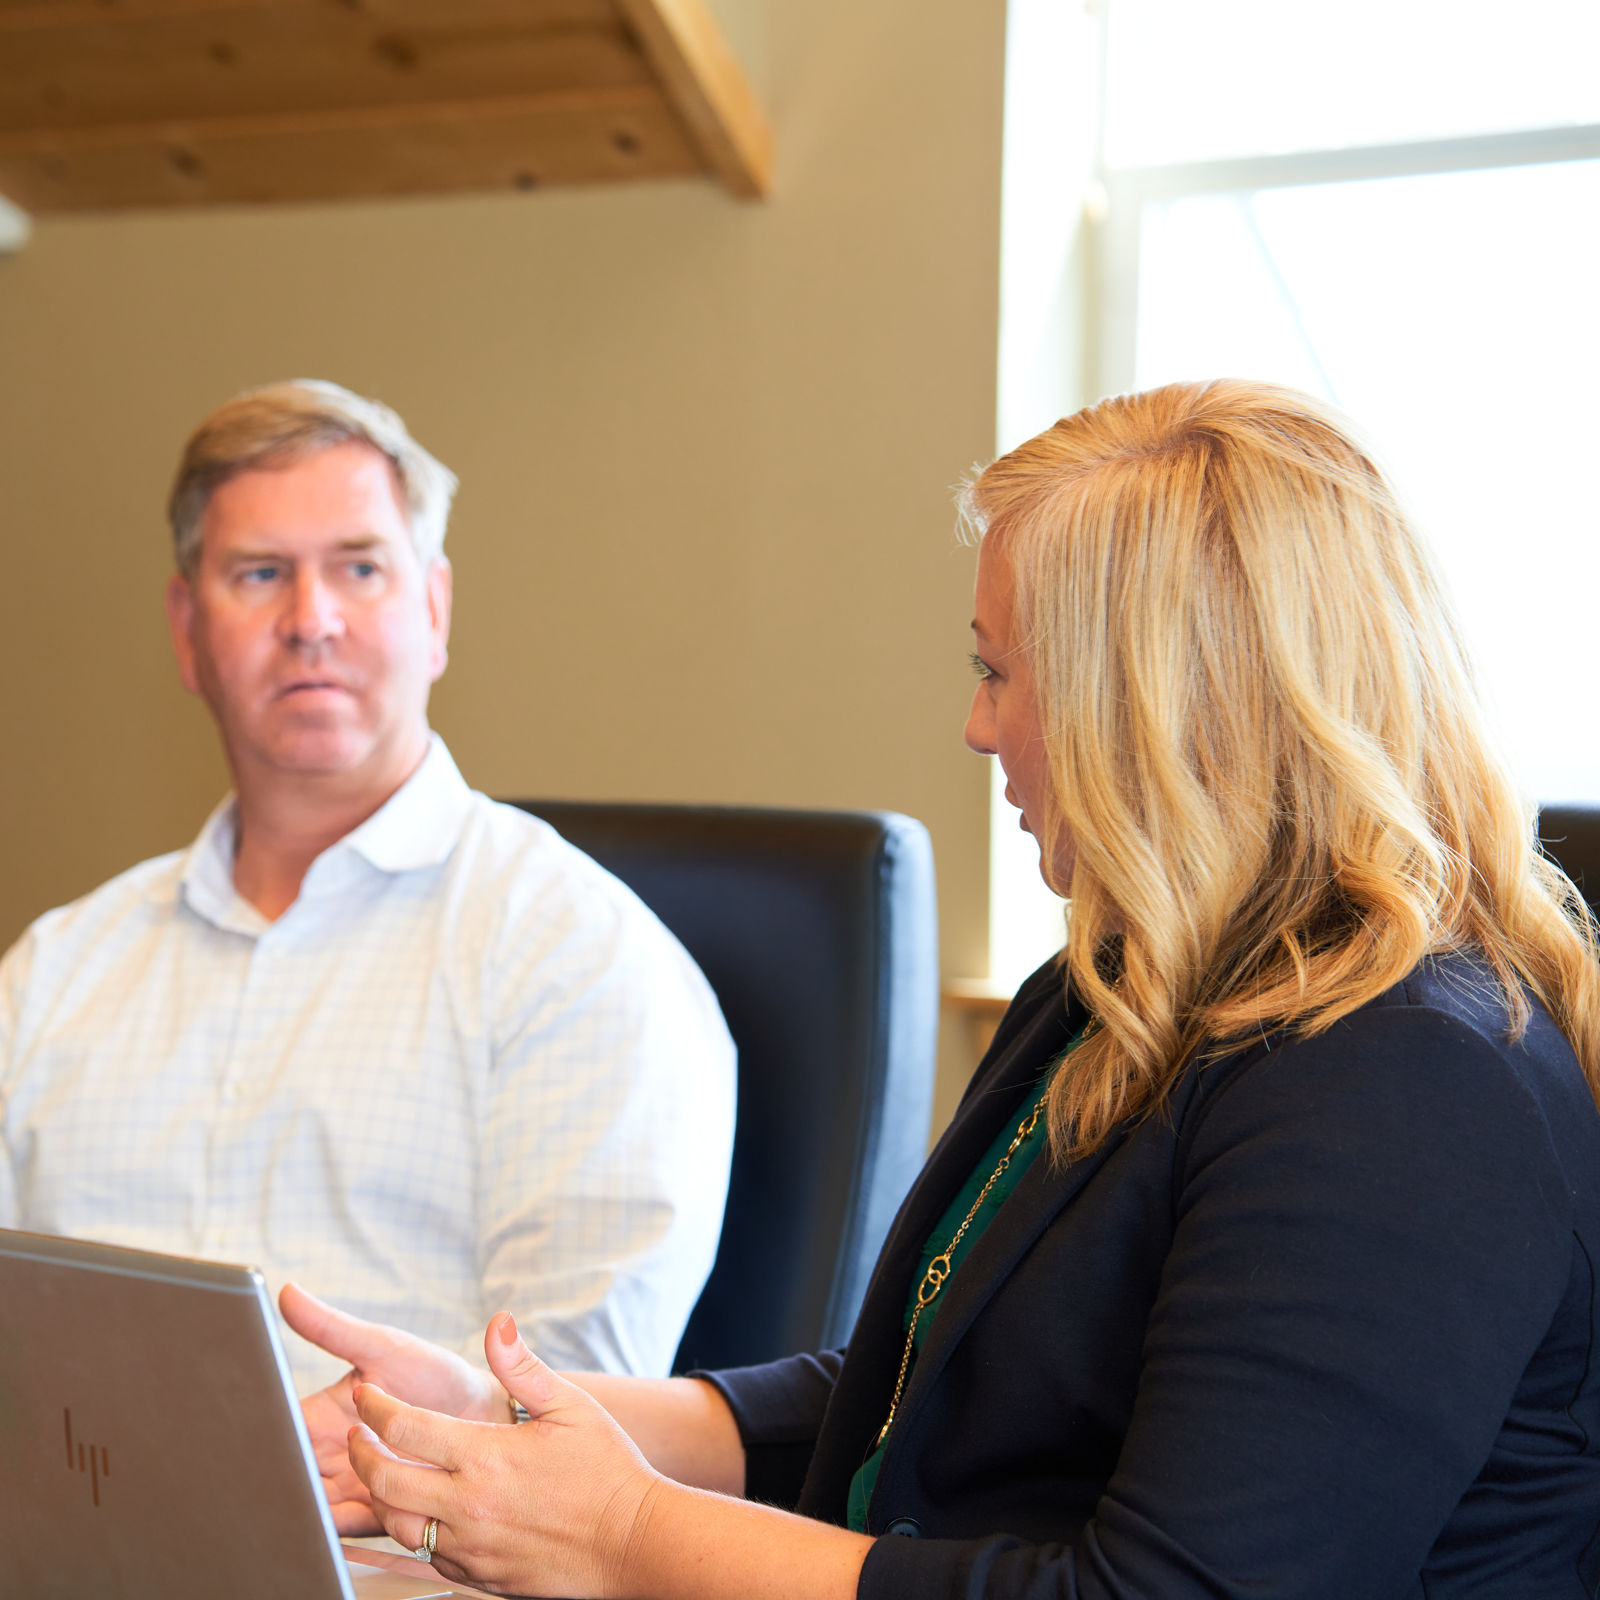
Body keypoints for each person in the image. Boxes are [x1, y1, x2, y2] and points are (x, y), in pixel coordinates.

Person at [290, 380, 1600, 1598]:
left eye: (996, 672)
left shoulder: (1410, 1084)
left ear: (1145, 702)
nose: (978, 729)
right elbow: (940, 1377)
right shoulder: (1113, 984)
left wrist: (624, 1533)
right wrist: (499, 1420)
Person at [0, 379, 735, 1397]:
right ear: (185, 629)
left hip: (412, 1555)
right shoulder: (54, 972)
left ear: (431, 610)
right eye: (259, 574)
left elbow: (572, 1422)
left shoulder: (578, 958)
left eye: (358, 567)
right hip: (66, 1545)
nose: (312, 620)